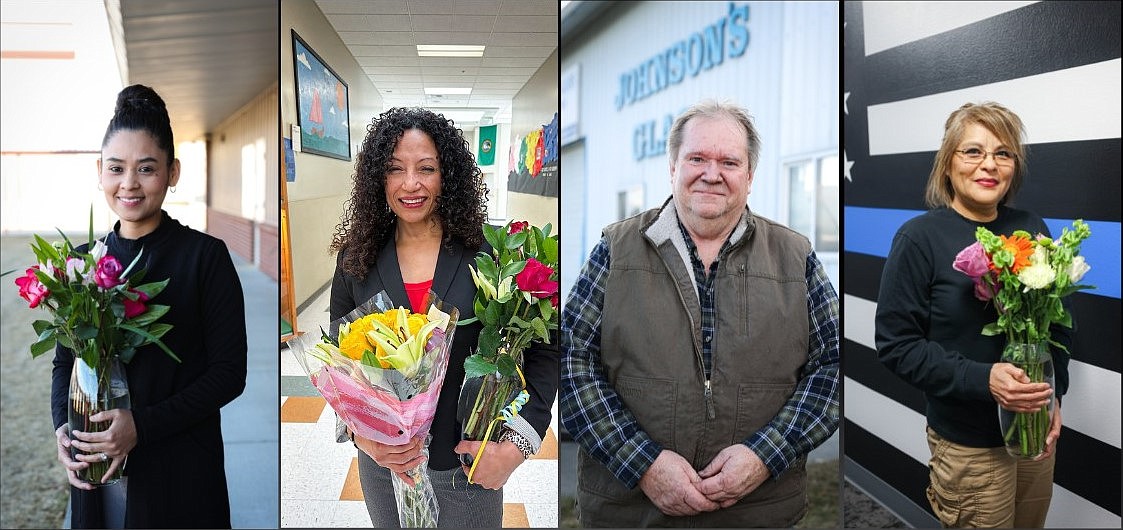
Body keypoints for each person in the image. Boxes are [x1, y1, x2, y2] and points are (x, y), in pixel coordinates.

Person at [560, 99, 840, 527]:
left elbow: (834, 367)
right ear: (673, 166)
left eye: (729, 161)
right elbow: (570, 359)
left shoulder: (794, 256)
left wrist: (765, 455)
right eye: (697, 158)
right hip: (632, 513)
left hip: (759, 513)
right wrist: (643, 464)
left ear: (750, 176)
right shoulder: (616, 250)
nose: (712, 173)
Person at [328, 107, 558, 528]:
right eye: (395, 169)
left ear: (446, 176)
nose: (410, 184)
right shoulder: (356, 259)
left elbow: (544, 350)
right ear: (378, 179)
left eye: (426, 168)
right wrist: (362, 437)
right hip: (384, 467)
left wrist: (516, 445)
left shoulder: (489, 254)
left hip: (466, 468)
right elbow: (338, 365)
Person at [50, 84, 248, 528]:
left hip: (177, 473)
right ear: (100, 171)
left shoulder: (204, 257)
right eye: (117, 168)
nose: (129, 184)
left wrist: (142, 425)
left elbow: (228, 374)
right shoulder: (83, 262)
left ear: (173, 172)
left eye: (146, 168)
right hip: (94, 474)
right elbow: (64, 362)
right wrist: (62, 428)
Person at [875, 101, 1068, 528]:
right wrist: (985, 379)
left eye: (1003, 153)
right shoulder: (919, 238)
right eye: (973, 151)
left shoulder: (1030, 227)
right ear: (948, 164)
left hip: (1036, 435)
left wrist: (1055, 393)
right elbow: (896, 346)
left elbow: (1056, 322)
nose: (990, 164)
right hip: (970, 448)